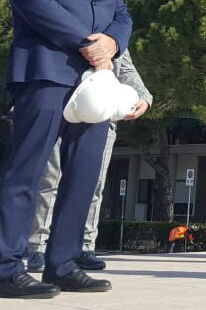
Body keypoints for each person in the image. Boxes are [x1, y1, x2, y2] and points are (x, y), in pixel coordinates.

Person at [0, 0, 131, 298]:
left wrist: (114, 42)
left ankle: (63, 263)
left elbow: (121, 13)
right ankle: (6, 270)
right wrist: (87, 43)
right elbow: (31, 0)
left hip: (94, 84)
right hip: (46, 74)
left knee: (83, 176)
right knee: (26, 172)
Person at [26, 50, 152, 273]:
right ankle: (38, 248)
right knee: (50, 181)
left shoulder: (116, 31)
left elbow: (126, 67)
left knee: (93, 185)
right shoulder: (74, 23)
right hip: (63, 110)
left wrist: (144, 96)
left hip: (103, 117)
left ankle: (85, 247)